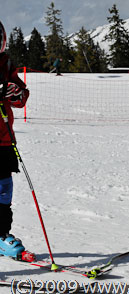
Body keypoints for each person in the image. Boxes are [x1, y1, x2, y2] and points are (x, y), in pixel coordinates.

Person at [0, 21, 34, 262]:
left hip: (2, 137)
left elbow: (20, 96)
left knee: (3, 188)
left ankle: (1, 235)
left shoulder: (6, 63)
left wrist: (14, 92)